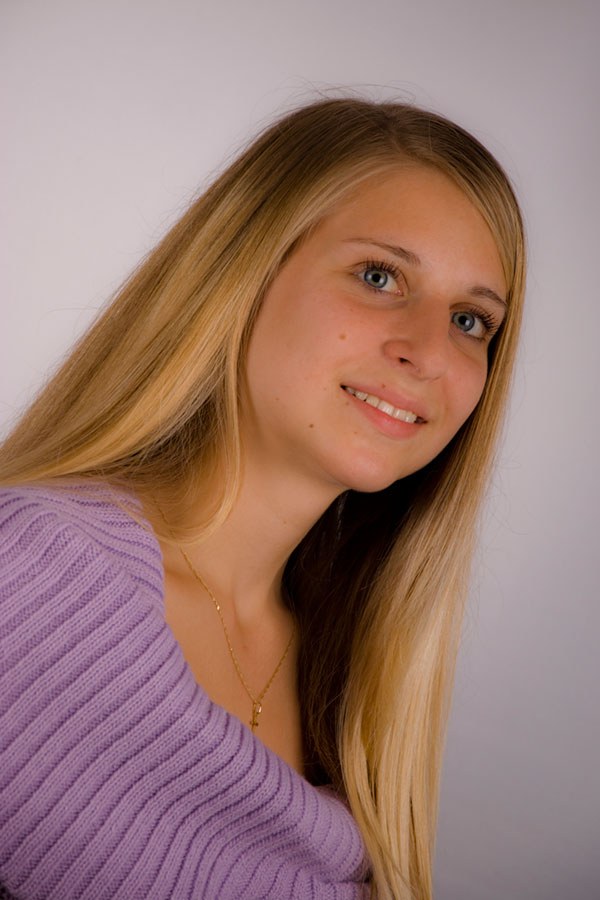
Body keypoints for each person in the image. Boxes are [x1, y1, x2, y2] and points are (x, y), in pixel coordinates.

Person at [0, 97, 525, 900]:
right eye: (379, 276)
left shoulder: (354, 680)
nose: (427, 351)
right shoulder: (29, 576)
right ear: (242, 272)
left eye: (470, 320)